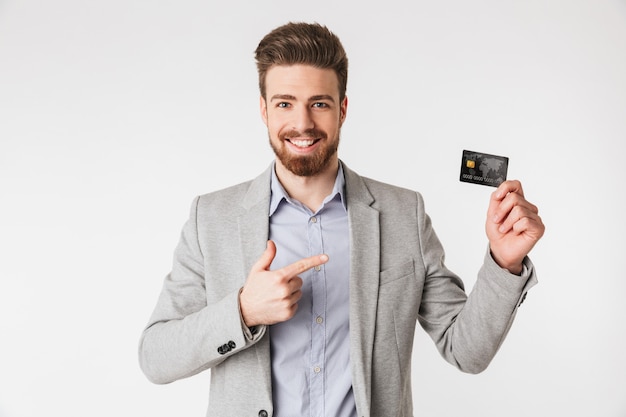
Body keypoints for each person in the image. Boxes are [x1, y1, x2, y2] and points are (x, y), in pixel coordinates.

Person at [138, 22, 545, 417]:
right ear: (263, 110)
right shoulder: (211, 218)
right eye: (284, 103)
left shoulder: (404, 214)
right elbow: (156, 357)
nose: (302, 123)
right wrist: (243, 311)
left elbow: (466, 351)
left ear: (342, 110)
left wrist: (503, 263)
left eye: (319, 103)